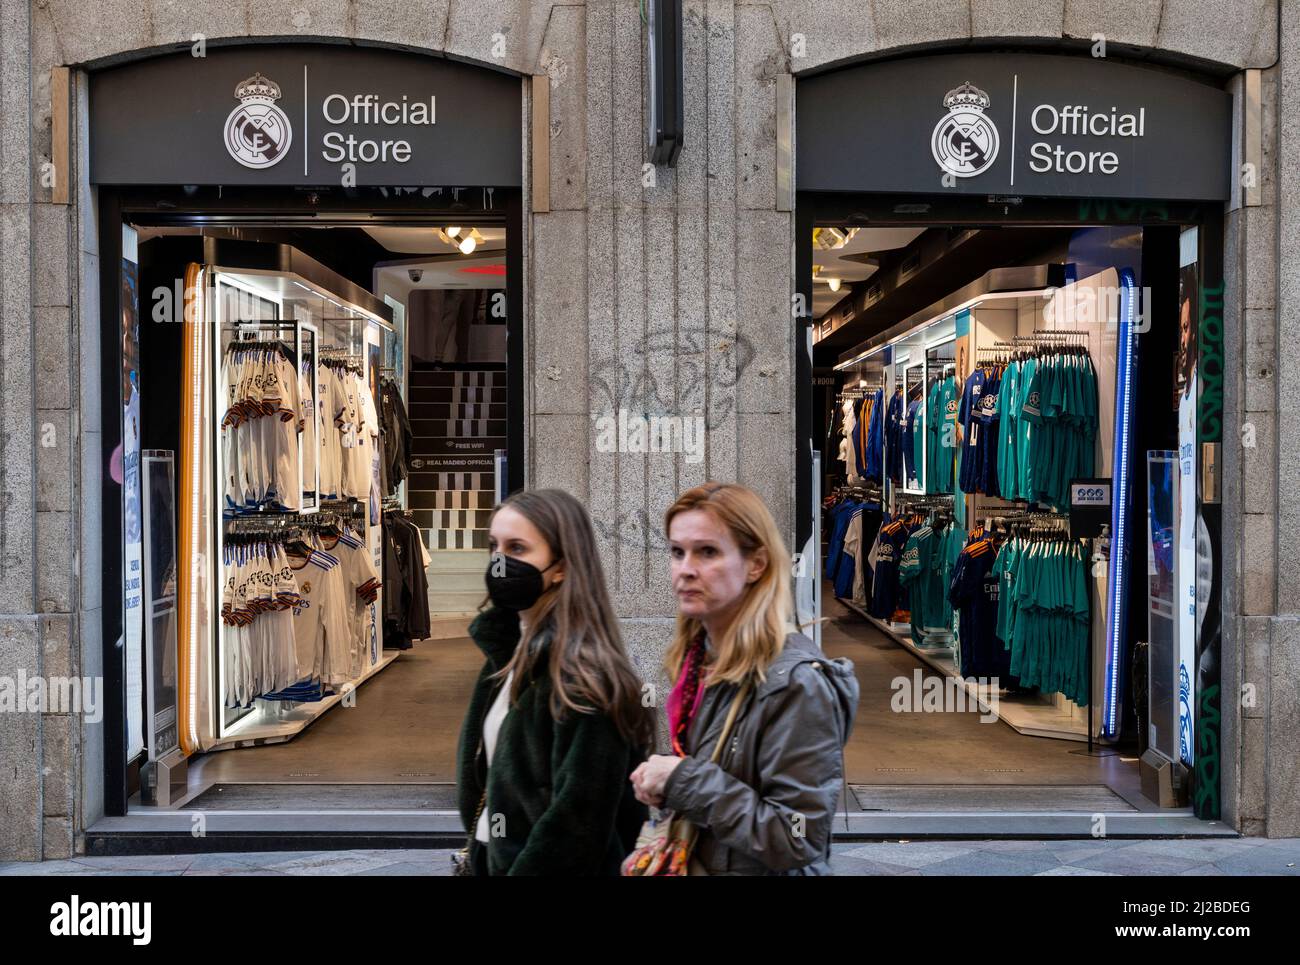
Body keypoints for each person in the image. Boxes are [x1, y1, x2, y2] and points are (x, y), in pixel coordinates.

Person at [630, 482, 858, 875]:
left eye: (707, 552)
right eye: (677, 552)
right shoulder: (700, 657)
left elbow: (798, 837)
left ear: (756, 564)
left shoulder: (798, 684)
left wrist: (682, 780)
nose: (685, 569)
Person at [456, 488, 653, 875]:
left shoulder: (584, 678)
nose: (500, 563)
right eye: (494, 546)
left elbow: (578, 824)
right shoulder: (506, 656)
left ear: (561, 566)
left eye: (517, 549)